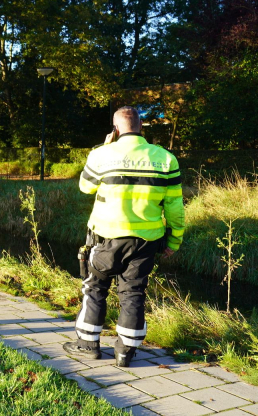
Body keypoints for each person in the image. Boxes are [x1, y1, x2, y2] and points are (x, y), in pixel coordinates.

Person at [63, 106, 185, 367]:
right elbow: (175, 207)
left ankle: (87, 346)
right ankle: (125, 353)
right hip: (146, 241)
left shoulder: (101, 154)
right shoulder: (166, 159)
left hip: (105, 238)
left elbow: (85, 187)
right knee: (134, 293)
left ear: (115, 130)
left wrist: (102, 147)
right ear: (141, 127)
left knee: (95, 288)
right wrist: (174, 242)